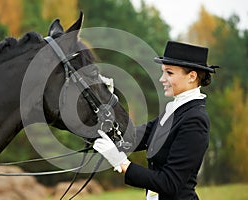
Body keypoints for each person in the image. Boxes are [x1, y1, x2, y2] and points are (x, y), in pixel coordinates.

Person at [93, 41, 219, 200]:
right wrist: (107, 99)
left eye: (169, 73)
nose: (162, 79)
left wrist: (123, 163)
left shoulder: (195, 120)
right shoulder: (173, 111)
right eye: (163, 72)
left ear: (192, 76)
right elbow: (130, 138)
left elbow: (170, 183)